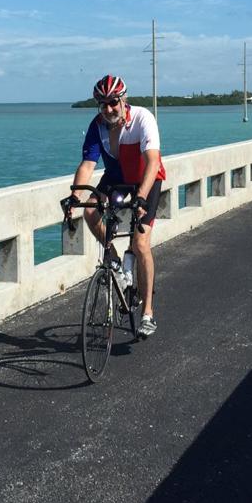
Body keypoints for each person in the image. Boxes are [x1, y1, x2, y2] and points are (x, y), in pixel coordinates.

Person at [70, 74, 166, 338]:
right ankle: (112, 257)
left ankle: (148, 312)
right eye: (102, 104)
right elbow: (87, 165)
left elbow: (153, 161)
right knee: (90, 210)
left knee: (140, 243)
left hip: (146, 179)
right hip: (116, 178)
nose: (108, 109)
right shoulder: (97, 126)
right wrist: (75, 197)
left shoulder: (142, 118)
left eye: (113, 102)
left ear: (124, 100)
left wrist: (142, 198)